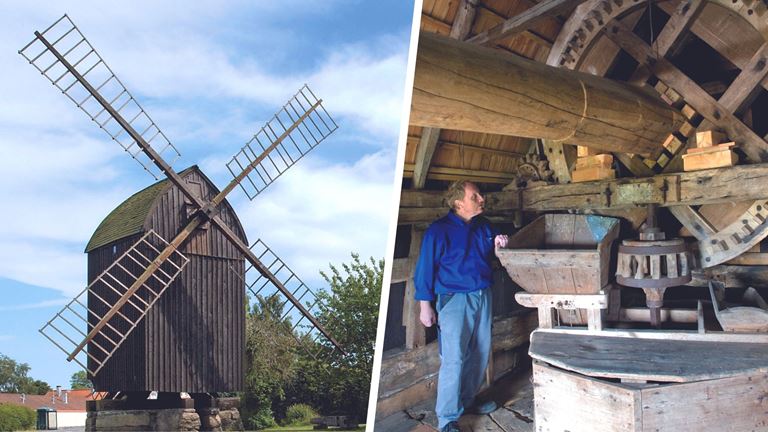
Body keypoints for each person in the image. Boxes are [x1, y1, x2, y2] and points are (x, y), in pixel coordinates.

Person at [413, 180, 508, 432]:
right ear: (458, 203)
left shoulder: (484, 226)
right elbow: (424, 271)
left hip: (482, 295)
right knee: (454, 358)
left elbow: (495, 251)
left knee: (480, 352)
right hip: (454, 299)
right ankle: (446, 418)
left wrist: (500, 242)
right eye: (474, 196)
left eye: (479, 194)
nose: (481, 198)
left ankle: (468, 400)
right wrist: (425, 306)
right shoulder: (438, 231)